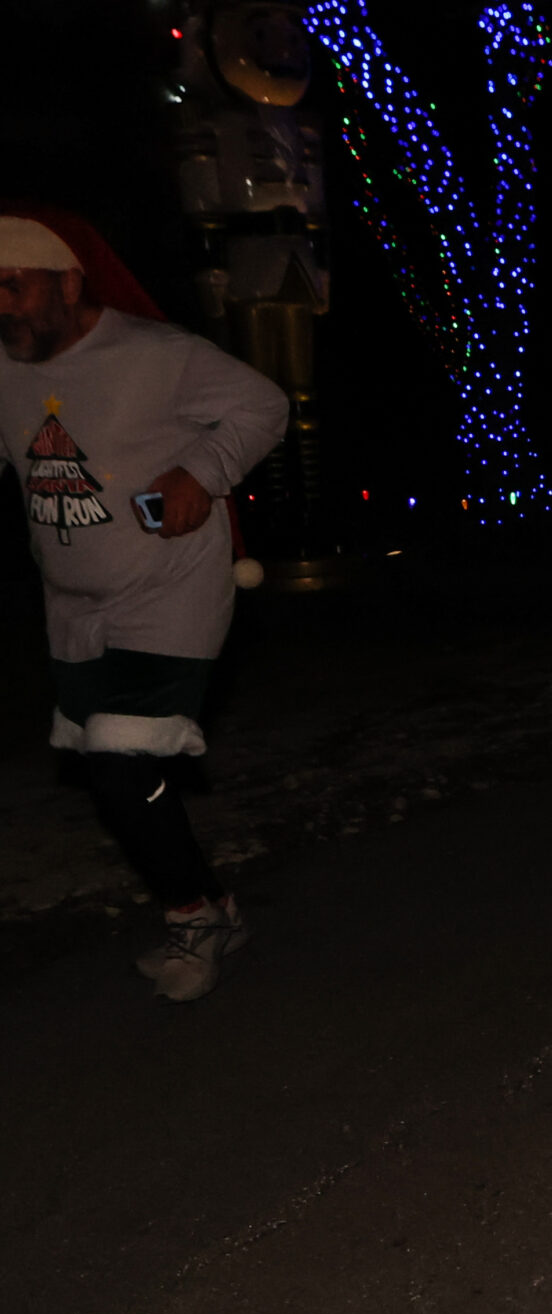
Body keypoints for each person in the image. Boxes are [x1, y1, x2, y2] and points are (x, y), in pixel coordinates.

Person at [0, 204, 287, 1001]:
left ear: (68, 281)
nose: (1, 305)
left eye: (14, 286)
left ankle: (191, 918)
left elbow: (264, 406)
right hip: (73, 604)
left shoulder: (157, 355)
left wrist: (201, 472)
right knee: (114, 772)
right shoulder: (5, 368)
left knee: (120, 766)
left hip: (168, 590)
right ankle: (215, 906)